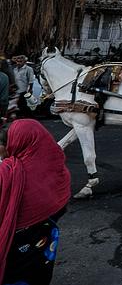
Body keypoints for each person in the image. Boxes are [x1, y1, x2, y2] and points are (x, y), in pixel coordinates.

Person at [0, 119, 72, 285]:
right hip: (45, 239)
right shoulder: (57, 167)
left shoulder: (12, 173)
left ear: (16, 144)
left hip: (18, 248)